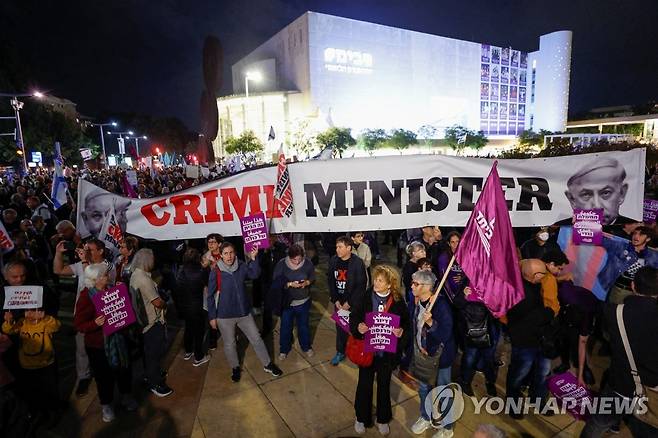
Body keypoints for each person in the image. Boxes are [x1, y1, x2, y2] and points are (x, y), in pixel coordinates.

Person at [580, 266, 658, 437]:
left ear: (632, 286)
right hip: (652, 392)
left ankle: (614, 424)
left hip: (620, 385)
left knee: (598, 424)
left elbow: (607, 338)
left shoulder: (612, 312)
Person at [206, 242, 282, 382]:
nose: (229, 256)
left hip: (244, 313)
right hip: (224, 316)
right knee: (230, 344)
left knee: (257, 339)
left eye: (231, 252)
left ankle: (268, 364)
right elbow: (210, 296)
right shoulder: (216, 271)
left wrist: (254, 259)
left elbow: (254, 274)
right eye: (226, 253)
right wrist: (212, 317)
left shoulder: (241, 265)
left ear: (235, 253)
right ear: (221, 255)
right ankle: (235, 368)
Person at [74, 263, 137, 422]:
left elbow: (124, 309)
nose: (107, 277)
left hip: (119, 339)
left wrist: (123, 293)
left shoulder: (111, 290)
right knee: (104, 377)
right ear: (93, 280)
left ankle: (126, 397)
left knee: (124, 370)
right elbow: (79, 324)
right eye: (103, 276)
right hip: (98, 346)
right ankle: (106, 405)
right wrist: (95, 324)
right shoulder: (86, 297)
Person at [53, 237, 116, 397]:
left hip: (101, 316)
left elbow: (93, 283)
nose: (86, 251)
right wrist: (58, 254)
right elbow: (58, 270)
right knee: (81, 348)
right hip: (82, 314)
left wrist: (85, 262)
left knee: (102, 349)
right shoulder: (82, 264)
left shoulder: (108, 266)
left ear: (101, 251)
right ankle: (84, 376)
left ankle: (106, 374)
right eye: (85, 248)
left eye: (90, 249)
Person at [350, 265, 408, 435]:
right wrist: (358, 327)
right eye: (375, 279)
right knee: (364, 386)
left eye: (380, 280)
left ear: (390, 284)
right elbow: (354, 317)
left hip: (386, 355)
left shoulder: (398, 301)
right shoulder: (365, 296)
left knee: (384, 386)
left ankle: (383, 419)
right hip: (367, 352)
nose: (375, 282)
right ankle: (361, 418)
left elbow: (405, 323)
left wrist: (401, 331)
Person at [505, 259, 556, 419]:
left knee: (542, 373)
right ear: (534, 276)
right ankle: (512, 404)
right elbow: (538, 316)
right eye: (543, 273)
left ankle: (538, 400)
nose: (546, 275)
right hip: (524, 344)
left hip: (539, 340)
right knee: (518, 375)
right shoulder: (520, 294)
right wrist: (548, 313)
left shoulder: (533, 286)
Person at [408, 270, 456, 438]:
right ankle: (426, 416)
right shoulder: (415, 301)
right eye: (412, 282)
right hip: (422, 356)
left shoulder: (441, 305)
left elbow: (445, 334)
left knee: (443, 391)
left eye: (415, 284)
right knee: (423, 389)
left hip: (441, 358)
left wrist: (431, 322)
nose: (411, 286)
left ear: (427, 287)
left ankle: (448, 426)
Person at [2, 306, 60, 424]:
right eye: (27, 310)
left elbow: (56, 326)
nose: (31, 314)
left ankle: (53, 413)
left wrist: (46, 318)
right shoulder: (22, 323)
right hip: (27, 365)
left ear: (41, 311)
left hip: (46, 364)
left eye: (34, 310)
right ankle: (40, 412)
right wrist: (8, 320)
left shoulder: (45, 322)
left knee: (50, 390)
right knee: (34, 391)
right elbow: (8, 330)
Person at [130, 248, 173, 397]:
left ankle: (149, 375)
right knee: (154, 354)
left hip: (142, 322)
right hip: (152, 322)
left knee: (147, 353)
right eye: (152, 259)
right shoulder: (144, 280)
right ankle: (155, 383)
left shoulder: (134, 275)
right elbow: (157, 302)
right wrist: (166, 303)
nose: (154, 261)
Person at [327, 236, 367, 366]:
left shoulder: (357, 263)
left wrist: (349, 303)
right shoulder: (333, 261)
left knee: (356, 328)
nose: (337, 249)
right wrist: (336, 300)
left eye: (340, 247)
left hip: (353, 303)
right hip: (339, 302)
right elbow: (331, 282)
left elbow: (361, 285)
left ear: (349, 248)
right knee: (341, 329)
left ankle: (359, 352)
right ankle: (340, 352)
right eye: (337, 247)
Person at [273, 244, 316, 360]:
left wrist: (306, 283)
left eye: (299, 259)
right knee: (285, 327)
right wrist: (289, 284)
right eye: (294, 259)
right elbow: (276, 282)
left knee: (303, 326)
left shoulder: (308, 263)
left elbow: (312, 277)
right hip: (288, 303)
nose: (297, 262)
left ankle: (306, 346)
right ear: (289, 257)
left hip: (303, 301)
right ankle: (284, 349)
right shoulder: (281, 264)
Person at [563, 157, 632, 225]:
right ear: (572, 200)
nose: (597, 206)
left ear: (622, 193)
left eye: (606, 193)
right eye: (586, 195)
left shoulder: (633, 228)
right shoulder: (561, 228)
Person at [599, 226, 658, 304]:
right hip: (618, 291)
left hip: (639, 294)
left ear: (648, 239)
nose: (636, 236)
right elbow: (598, 239)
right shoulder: (620, 247)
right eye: (635, 233)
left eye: (641, 234)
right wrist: (595, 230)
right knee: (615, 313)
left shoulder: (653, 256)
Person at [174, 248, 210, 366]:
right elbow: (206, 283)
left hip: (184, 306)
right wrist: (206, 268)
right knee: (199, 331)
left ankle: (188, 351)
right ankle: (198, 357)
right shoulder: (200, 271)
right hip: (196, 306)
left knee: (188, 328)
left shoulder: (180, 270)